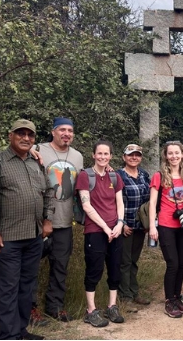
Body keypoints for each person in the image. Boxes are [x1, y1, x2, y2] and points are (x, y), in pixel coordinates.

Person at [0, 120, 53, 340]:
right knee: (7, 289)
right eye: (21, 134)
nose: (26, 138)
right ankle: (8, 335)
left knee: (26, 287)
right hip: (7, 239)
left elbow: (48, 192)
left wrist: (47, 220)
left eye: (30, 135)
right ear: (10, 136)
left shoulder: (36, 162)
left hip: (34, 237)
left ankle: (21, 330)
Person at [32, 117, 83, 324]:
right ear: (53, 132)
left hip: (64, 221)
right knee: (31, 267)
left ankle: (55, 307)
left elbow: (83, 182)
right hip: (37, 222)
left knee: (60, 267)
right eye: (62, 129)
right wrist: (30, 152)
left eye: (70, 130)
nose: (66, 134)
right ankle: (30, 309)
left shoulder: (78, 156)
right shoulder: (37, 149)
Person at [77, 140, 126, 328]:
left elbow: (119, 203)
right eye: (100, 154)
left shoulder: (114, 177)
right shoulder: (85, 176)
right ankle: (91, 310)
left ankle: (112, 306)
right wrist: (106, 228)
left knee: (114, 268)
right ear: (93, 155)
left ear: (111, 156)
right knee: (94, 269)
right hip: (95, 230)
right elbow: (86, 205)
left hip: (116, 229)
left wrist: (120, 223)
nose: (103, 157)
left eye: (106, 154)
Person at [148, 141, 183, 319]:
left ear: (182, 155)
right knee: (173, 263)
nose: (174, 156)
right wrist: (153, 225)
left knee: (182, 263)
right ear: (166, 156)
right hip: (166, 224)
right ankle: (169, 300)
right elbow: (153, 202)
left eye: (177, 153)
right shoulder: (159, 176)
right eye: (171, 153)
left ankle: (177, 297)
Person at [117, 144, 152, 307]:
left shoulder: (144, 175)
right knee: (124, 261)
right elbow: (113, 202)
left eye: (137, 155)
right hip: (125, 225)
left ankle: (134, 291)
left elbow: (150, 201)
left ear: (141, 158)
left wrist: (149, 223)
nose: (134, 157)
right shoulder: (118, 175)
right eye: (130, 155)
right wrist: (121, 222)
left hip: (140, 226)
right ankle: (125, 297)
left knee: (134, 260)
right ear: (124, 157)